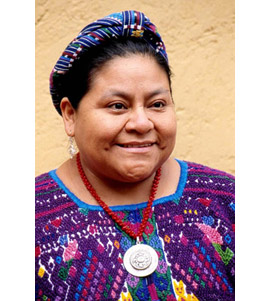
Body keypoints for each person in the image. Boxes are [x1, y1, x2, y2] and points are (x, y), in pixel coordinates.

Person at [35, 10, 235, 301]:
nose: (142, 123)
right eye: (117, 106)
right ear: (70, 115)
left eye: (156, 104)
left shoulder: (229, 202)